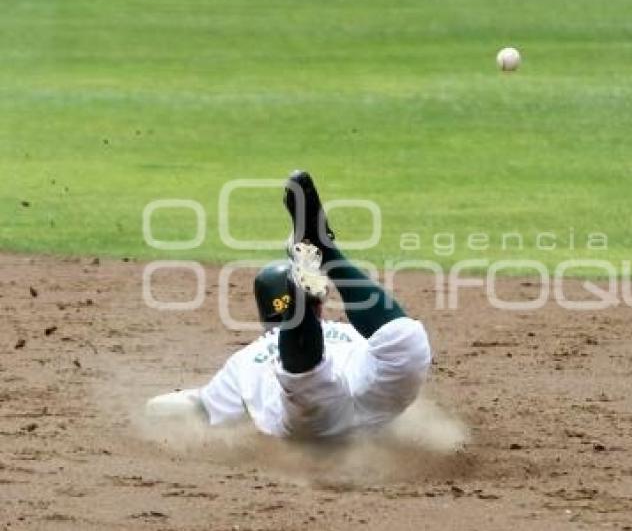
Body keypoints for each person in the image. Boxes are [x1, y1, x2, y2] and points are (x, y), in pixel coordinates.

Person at [145, 171, 432, 437]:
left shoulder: (246, 360)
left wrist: (173, 406)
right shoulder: (348, 331)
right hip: (368, 397)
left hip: (319, 415)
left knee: (307, 385)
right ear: (321, 304)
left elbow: (196, 408)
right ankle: (327, 258)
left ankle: (301, 299)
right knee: (406, 340)